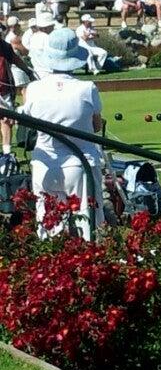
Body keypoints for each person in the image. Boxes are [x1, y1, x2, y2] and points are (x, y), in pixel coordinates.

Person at [22, 28, 105, 240]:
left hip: (45, 163)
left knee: (49, 224)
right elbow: (96, 126)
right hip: (80, 163)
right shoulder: (87, 88)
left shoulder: (33, 89)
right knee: (89, 221)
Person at [0, 24, 33, 156]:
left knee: (6, 120)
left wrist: (28, 71)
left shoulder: (5, 46)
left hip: (5, 90)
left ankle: (7, 152)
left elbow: (17, 60)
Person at [5, 16, 31, 99]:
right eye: (11, 26)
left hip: (20, 64)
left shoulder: (20, 34)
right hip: (16, 66)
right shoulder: (11, 38)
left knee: (21, 89)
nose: (14, 28)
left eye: (16, 25)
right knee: (24, 88)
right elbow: (24, 52)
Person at [29, 12, 56, 79]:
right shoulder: (48, 38)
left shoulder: (33, 37)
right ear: (46, 28)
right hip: (49, 73)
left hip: (37, 73)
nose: (53, 28)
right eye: (52, 26)